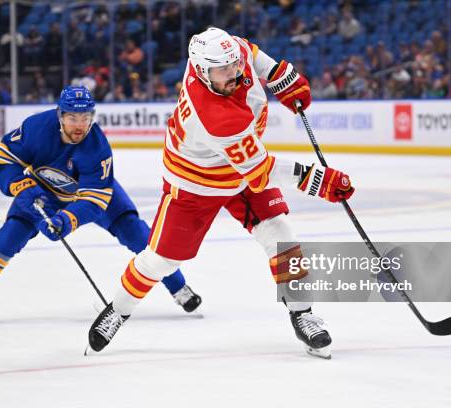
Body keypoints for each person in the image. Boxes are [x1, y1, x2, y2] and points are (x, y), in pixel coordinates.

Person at [87, 28, 354, 358]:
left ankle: (303, 314)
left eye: (233, 66)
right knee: (161, 261)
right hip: (195, 183)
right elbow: (261, 170)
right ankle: (117, 310)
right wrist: (319, 181)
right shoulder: (215, 116)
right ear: (201, 72)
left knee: (281, 235)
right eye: (223, 71)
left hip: (241, 172)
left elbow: (250, 53)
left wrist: (281, 76)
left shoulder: (228, 55)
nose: (233, 74)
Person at [0, 86, 202, 322]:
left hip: (92, 194)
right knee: (8, 238)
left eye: (85, 117)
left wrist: (66, 221)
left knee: (137, 234)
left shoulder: (97, 147)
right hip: (42, 193)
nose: (80, 125)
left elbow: (95, 199)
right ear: (60, 115)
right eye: (73, 118)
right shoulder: (37, 128)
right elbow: (5, 158)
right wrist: (19, 185)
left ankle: (180, 288)